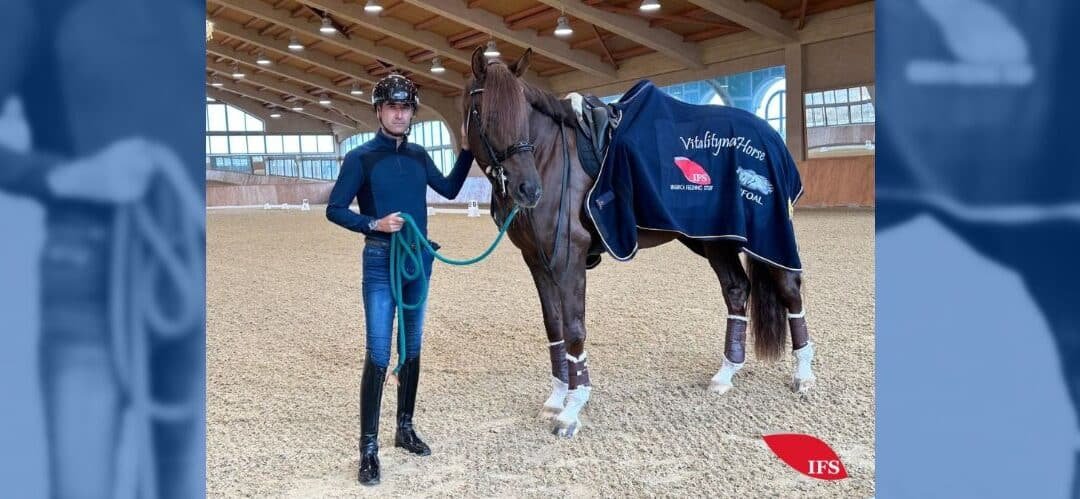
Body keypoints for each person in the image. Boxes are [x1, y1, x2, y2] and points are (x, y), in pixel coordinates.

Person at [325, 74, 474, 486]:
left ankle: (404, 428)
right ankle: (368, 449)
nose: (399, 114)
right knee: (377, 353)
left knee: (411, 348)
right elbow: (335, 209)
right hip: (379, 261)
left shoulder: (419, 155)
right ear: (379, 111)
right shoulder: (360, 158)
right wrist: (373, 222)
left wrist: (465, 149)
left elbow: (449, 188)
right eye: (392, 107)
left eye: (406, 107)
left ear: (411, 112)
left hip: (417, 262)